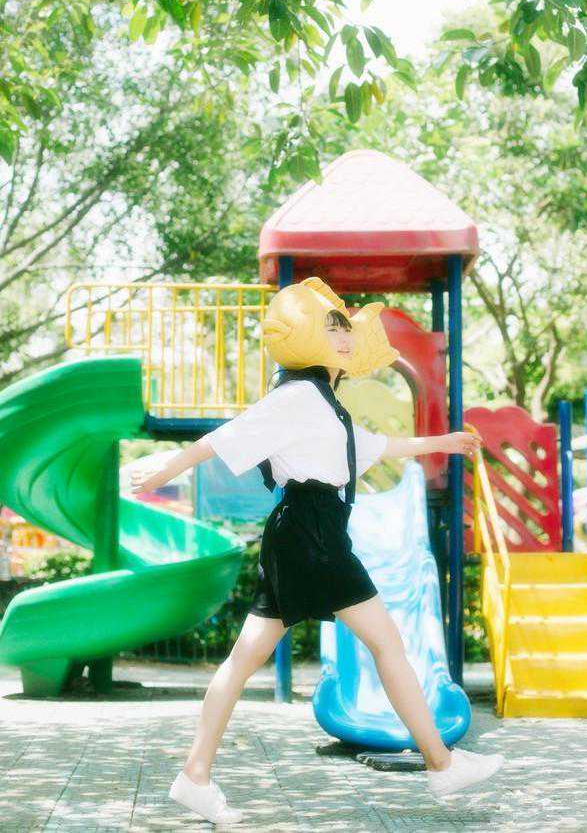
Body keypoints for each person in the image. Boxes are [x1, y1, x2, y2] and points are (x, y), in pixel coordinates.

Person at [130, 277, 503, 825]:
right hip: (313, 535)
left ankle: (195, 776)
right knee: (386, 643)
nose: (344, 338)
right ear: (304, 336)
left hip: (304, 532)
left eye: (346, 328)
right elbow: (226, 436)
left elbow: (375, 446)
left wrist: (444, 442)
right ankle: (441, 764)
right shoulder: (299, 396)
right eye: (332, 328)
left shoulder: (323, 405)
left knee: (244, 659)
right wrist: (165, 469)